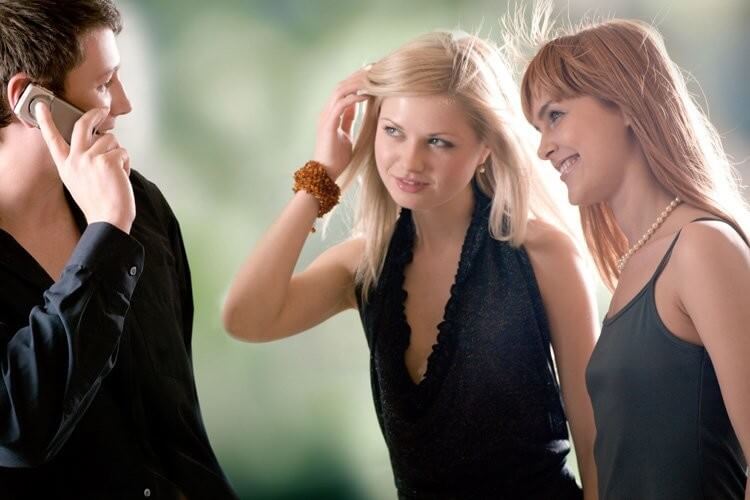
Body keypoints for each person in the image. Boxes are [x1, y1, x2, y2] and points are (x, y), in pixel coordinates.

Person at [223, 31, 599, 499]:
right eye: (393, 131)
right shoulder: (366, 264)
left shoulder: (543, 254)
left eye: (438, 142)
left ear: (485, 147)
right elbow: (246, 318)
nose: (409, 161)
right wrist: (322, 173)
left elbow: (595, 439)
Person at [0, 1, 237, 498]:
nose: (124, 104)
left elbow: (178, 413)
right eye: (105, 83)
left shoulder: (140, 205)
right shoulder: (119, 216)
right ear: (31, 101)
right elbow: (18, 430)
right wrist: (105, 235)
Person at [521, 16, 750, 499]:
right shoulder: (635, 265)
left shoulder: (701, 247)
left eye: (555, 115)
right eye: (537, 127)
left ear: (624, 102)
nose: (542, 148)